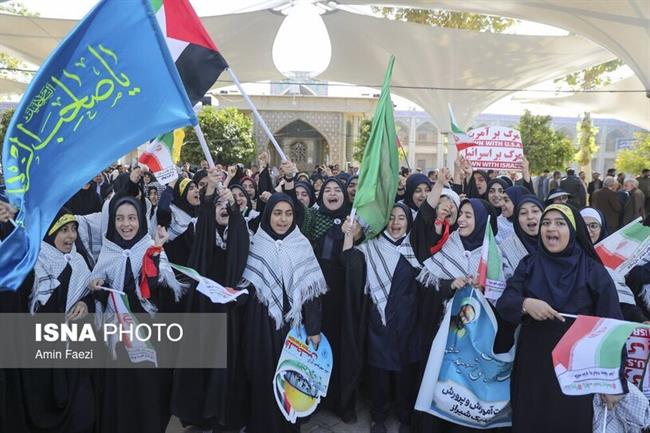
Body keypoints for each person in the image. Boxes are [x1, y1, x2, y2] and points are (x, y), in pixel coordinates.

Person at [496, 204, 622, 433]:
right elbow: (505, 302)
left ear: (573, 231)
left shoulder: (593, 271)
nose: (550, 228)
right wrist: (525, 304)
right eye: (546, 223)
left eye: (559, 223)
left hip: (577, 372)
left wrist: (613, 381)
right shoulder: (529, 264)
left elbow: (612, 326)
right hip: (533, 367)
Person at [91, 195, 184, 433]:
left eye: (132, 218)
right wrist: (98, 288)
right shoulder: (107, 251)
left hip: (147, 340)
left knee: (147, 397)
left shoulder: (152, 248)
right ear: (112, 222)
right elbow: (101, 296)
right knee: (119, 396)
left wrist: (157, 249)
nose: (126, 224)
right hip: (117, 340)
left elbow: (158, 293)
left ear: (140, 220)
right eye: (120, 218)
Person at [239, 193, 326, 433]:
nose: (283, 219)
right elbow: (247, 283)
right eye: (277, 213)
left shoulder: (302, 243)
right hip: (260, 323)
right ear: (268, 215)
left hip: (292, 325)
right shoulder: (257, 242)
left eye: (288, 214)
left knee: (290, 378)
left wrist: (314, 329)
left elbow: (311, 292)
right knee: (261, 374)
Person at [171, 169, 250, 431]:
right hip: (203, 309)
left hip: (229, 313)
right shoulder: (204, 230)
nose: (223, 209)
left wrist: (233, 207)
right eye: (219, 205)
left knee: (226, 364)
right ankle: (199, 414)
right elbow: (204, 219)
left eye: (228, 205)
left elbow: (239, 242)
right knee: (201, 362)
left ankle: (223, 414)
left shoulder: (240, 231)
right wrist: (211, 190)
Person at [342, 203, 421, 433]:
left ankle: (405, 415)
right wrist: (349, 235)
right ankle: (379, 417)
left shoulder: (415, 248)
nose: (396, 224)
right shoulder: (371, 247)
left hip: (408, 322)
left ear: (408, 221)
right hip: (380, 320)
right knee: (379, 372)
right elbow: (350, 263)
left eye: (401, 218)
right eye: (391, 218)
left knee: (406, 371)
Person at [21, 209, 98, 433]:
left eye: (74, 229)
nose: (71, 236)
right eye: (64, 230)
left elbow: (88, 295)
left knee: (82, 412)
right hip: (44, 353)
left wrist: (86, 303)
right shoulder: (35, 264)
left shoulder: (78, 259)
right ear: (49, 232)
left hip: (74, 353)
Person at [501, 196, 543, 279]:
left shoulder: (555, 243)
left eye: (535, 211)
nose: (530, 217)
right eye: (523, 213)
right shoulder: (504, 249)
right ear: (517, 219)